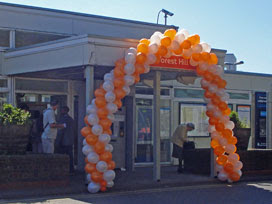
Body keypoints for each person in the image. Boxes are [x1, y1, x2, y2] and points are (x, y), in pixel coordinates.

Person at [55, 106, 75, 174]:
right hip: (70, 140)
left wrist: (57, 141)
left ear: (65, 111)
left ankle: (63, 170)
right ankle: (71, 170)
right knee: (70, 156)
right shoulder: (71, 119)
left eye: (62, 110)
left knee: (62, 157)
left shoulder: (63, 119)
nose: (61, 111)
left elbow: (61, 131)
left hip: (63, 141)